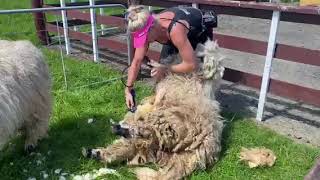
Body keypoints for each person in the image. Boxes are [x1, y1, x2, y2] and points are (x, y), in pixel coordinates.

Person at [124, 5, 217, 109]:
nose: (144, 42)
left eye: (145, 37)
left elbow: (191, 65)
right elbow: (136, 62)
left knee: (199, 77)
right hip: (170, 34)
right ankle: (166, 107)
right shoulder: (145, 25)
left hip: (198, 32)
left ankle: (198, 109)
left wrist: (164, 69)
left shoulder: (176, 29)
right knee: (163, 74)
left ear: (152, 27)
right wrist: (128, 89)